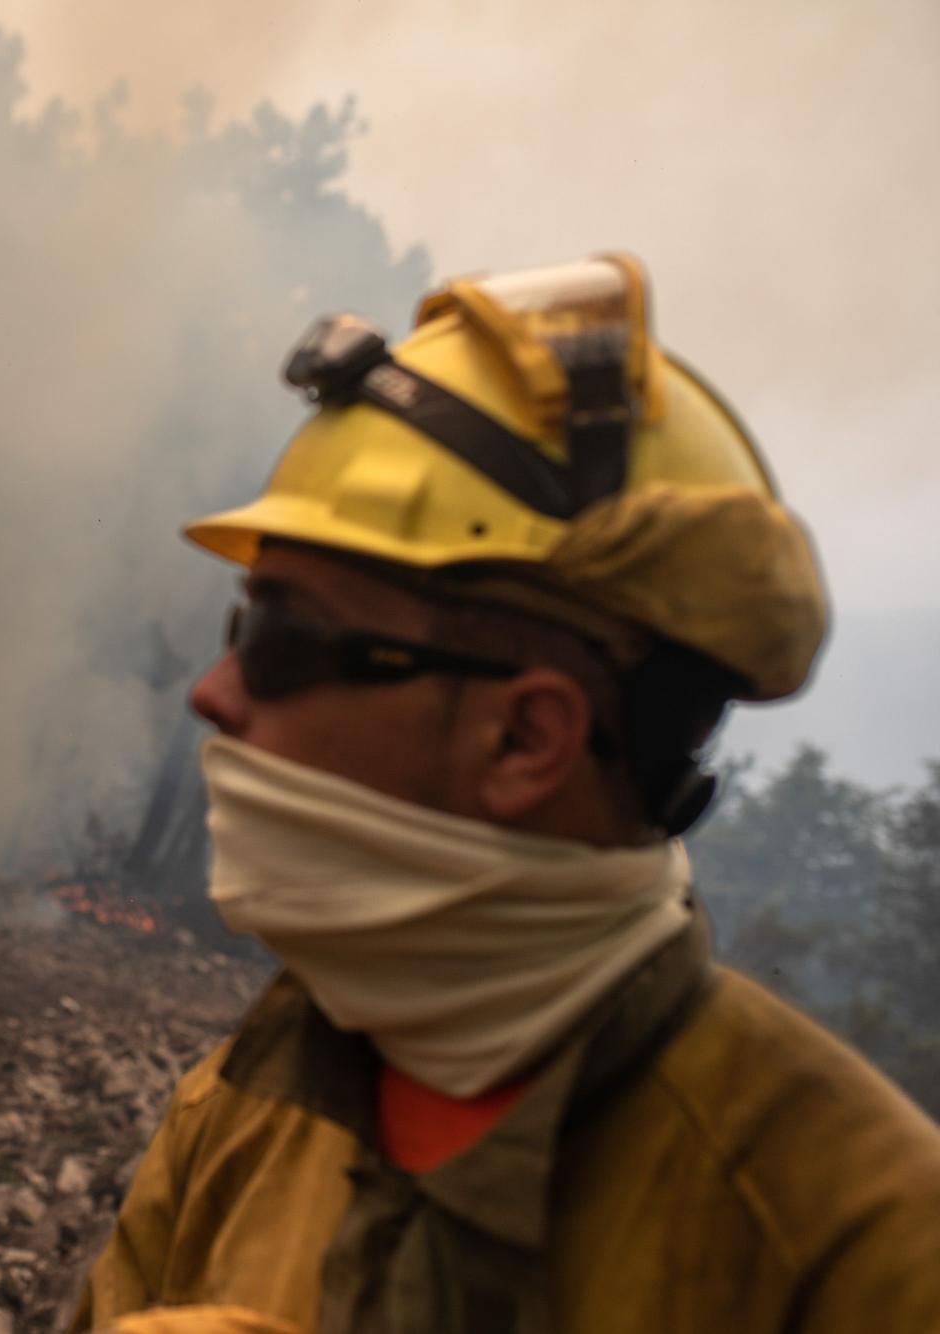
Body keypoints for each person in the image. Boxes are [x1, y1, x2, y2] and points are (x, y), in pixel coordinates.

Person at [74, 257, 940, 1333]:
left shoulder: (859, 1246)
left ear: (525, 736)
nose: (212, 689)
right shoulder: (240, 1104)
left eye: (281, 637)